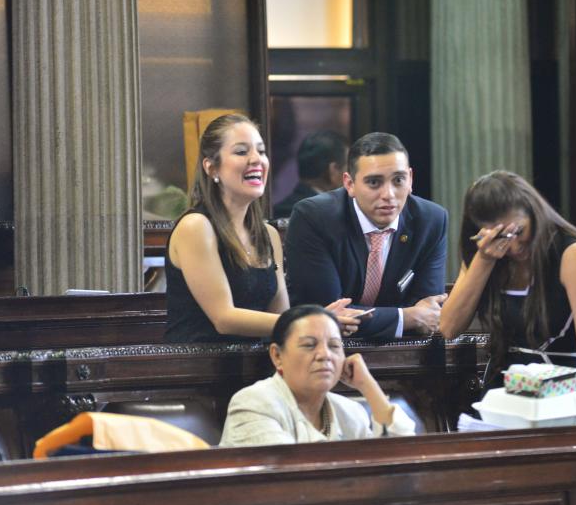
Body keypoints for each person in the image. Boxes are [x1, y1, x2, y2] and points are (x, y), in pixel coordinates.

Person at [165, 114, 359, 343]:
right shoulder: (196, 226)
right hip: (199, 370)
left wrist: (324, 321)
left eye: (261, 151)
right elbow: (224, 318)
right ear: (211, 168)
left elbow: (281, 319)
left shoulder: (269, 235)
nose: (256, 159)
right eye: (241, 151)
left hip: (260, 366)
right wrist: (315, 319)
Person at [439, 171, 576, 415]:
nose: (513, 245)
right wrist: (485, 259)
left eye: (518, 232)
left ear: (534, 212)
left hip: (567, 389)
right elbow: (448, 327)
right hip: (506, 391)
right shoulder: (486, 254)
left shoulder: (574, 255)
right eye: (500, 236)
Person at [285, 133, 448, 339]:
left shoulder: (431, 219)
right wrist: (407, 317)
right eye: (374, 182)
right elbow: (325, 316)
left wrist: (413, 317)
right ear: (349, 184)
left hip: (403, 356)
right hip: (327, 352)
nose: (388, 194)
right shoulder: (314, 217)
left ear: (410, 179)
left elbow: (428, 313)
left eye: (398, 180)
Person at [220, 304, 416, 446]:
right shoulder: (254, 404)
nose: (324, 355)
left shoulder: (349, 412)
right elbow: (289, 480)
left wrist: (368, 386)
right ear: (277, 356)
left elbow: (402, 458)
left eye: (334, 346)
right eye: (309, 345)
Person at [273, 130, 348, 218]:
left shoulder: (285, 208)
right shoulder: (323, 214)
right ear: (333, 170)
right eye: (349, 166)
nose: (351, 175)